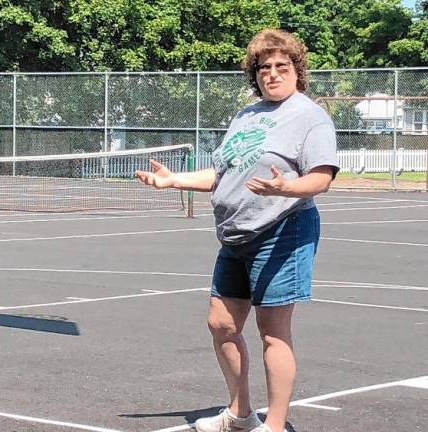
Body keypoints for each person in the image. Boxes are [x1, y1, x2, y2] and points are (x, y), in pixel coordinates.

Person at [136, 29, 339, 432]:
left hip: (284, 229)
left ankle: (275, 426)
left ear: (297, 71)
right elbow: (224, 173)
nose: (273, 74)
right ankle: (240, 415)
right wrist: (174, 181)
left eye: (282, 67)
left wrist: (286, 187)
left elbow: (321, 178)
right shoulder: (246, 116)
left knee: (273, 331)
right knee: (222, 324)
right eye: (264, 68)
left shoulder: (309, 117)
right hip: (236, 234)